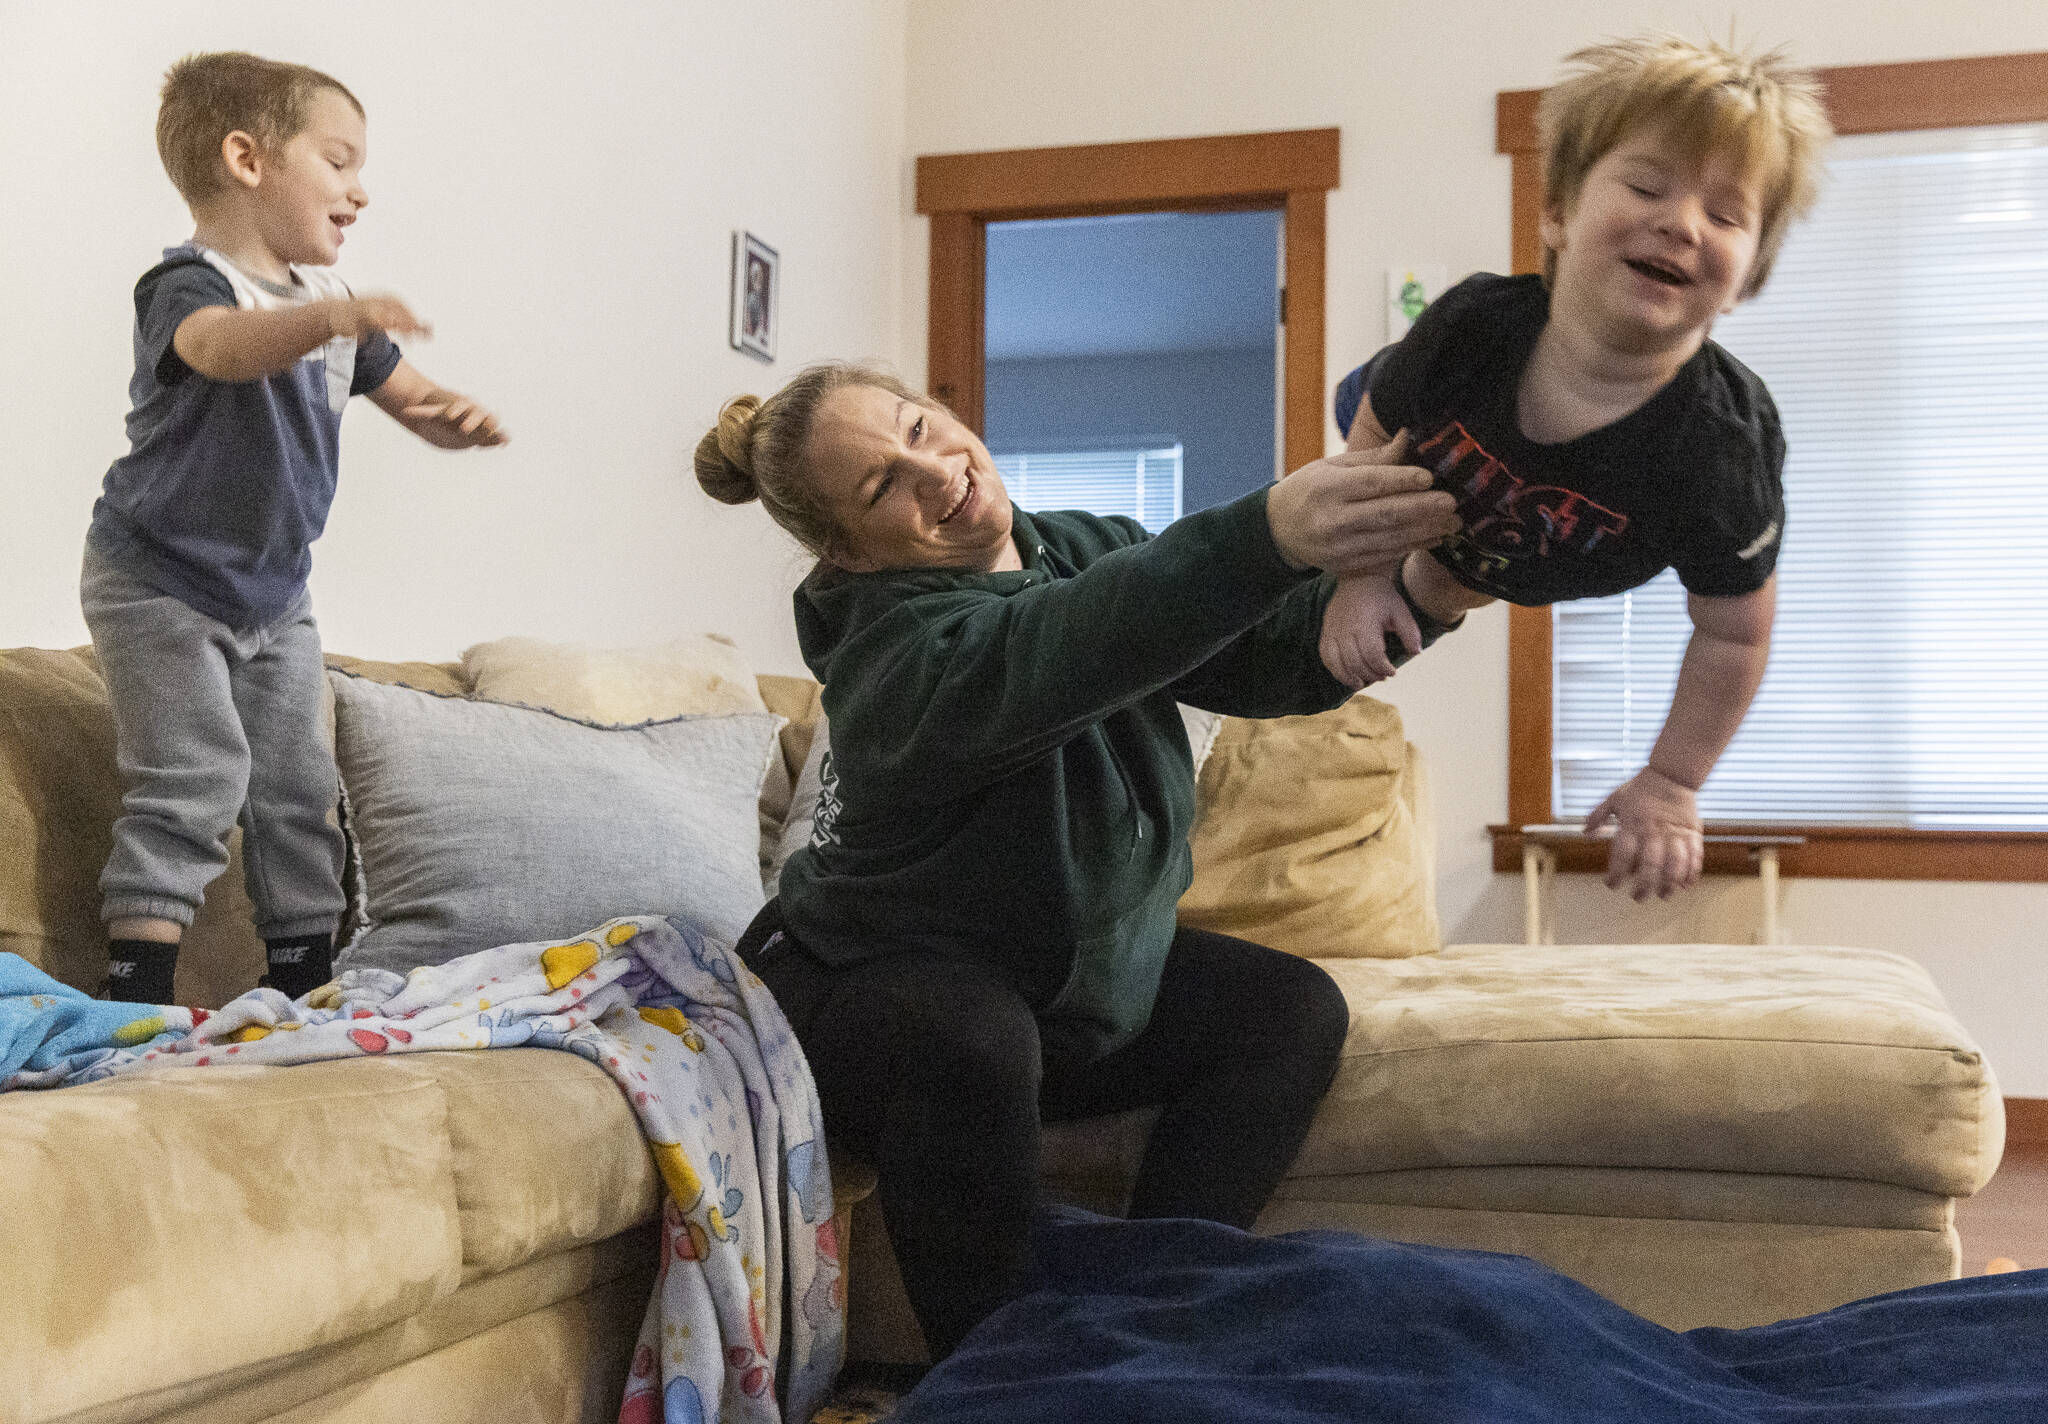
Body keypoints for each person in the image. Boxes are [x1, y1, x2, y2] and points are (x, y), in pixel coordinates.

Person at [695, 363, 1458, 1359]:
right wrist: (1266, 531)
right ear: (847, 549)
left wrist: (1430, 584)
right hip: (857, 991)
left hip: (1041, 990)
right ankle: (1005, 1366)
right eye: (884, 484)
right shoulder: (889, 654)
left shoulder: (1083, 545)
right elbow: (1062, 643)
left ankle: (1160, 1307)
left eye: (920, 428)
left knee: (1287, 1008)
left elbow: (1271, 649)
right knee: (970, 1035)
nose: (933, 469)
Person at [1318, 34, 1831, 902]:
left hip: (1553, 540)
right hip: (1423, 444)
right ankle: (1432, 567)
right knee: (1367, 509)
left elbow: (1734, 631)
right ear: (1556, 211)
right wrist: (1360, 578)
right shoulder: (1472, 325)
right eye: (1646, 185)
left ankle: (1453, 574)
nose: (1681, 223)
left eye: (1726, 213)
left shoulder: (1720, 451)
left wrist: (1673, 781)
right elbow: (1371, 441)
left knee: (1452, 584)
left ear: (1748, 280)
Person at [85, 52, 508, 1006]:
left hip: (276, 595)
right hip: (157, 580)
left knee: (298, 790)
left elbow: (409, 394)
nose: (360, 191)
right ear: (247, 159)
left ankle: (304, 986)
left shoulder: (334, 314)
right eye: (340, 161)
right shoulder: (189, 286)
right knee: (192, 780)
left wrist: (452, 418)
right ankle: (131, 996)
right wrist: (331, 318)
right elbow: (219, 351)